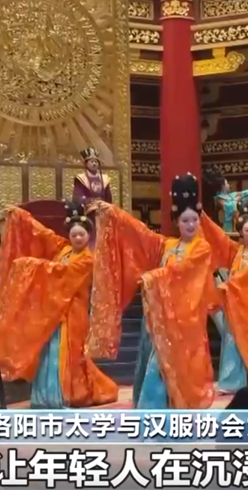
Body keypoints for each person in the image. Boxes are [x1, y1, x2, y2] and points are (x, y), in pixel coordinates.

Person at [90, 173, 215, 409]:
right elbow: (138, 232)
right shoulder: (166, 245)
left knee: (167, 366)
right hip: (160, 316)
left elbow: (183, 271)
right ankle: (154, 411)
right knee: (154, 363)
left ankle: (159, 411)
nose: (190, 225)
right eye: (185, 221)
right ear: (177, 222)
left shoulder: (202, 248)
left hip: (184, 320)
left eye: (194, 220)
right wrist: (112, 212)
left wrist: (152, 277)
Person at [0, 201, 118, 408]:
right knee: (50, 350)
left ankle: (68, 395)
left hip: (73, 313)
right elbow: (43, 234)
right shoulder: (64, 249)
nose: (78, 238)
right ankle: (44, 395)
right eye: (74, 235)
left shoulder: (87, 260)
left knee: (69, 353)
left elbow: (62, 273)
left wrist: (31, 265)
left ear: (89, 235)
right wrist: (21, 216)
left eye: (82, 234)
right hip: (55, 309)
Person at [199, 199, 248, 394]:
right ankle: (232, 382)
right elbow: (219, 238)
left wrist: (230, 284)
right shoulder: (238, 251)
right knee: (232, 341)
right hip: (235, 304)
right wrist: (203, 218)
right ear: (241, 233)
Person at [204, 168, 248, 233]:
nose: (229, 185)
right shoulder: (218, 198)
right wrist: (236, 201)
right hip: (229, 226)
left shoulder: (232, 195)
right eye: (227, 183)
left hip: (240, 223)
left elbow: (246, 193)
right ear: (222, 186)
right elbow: (227, 207)